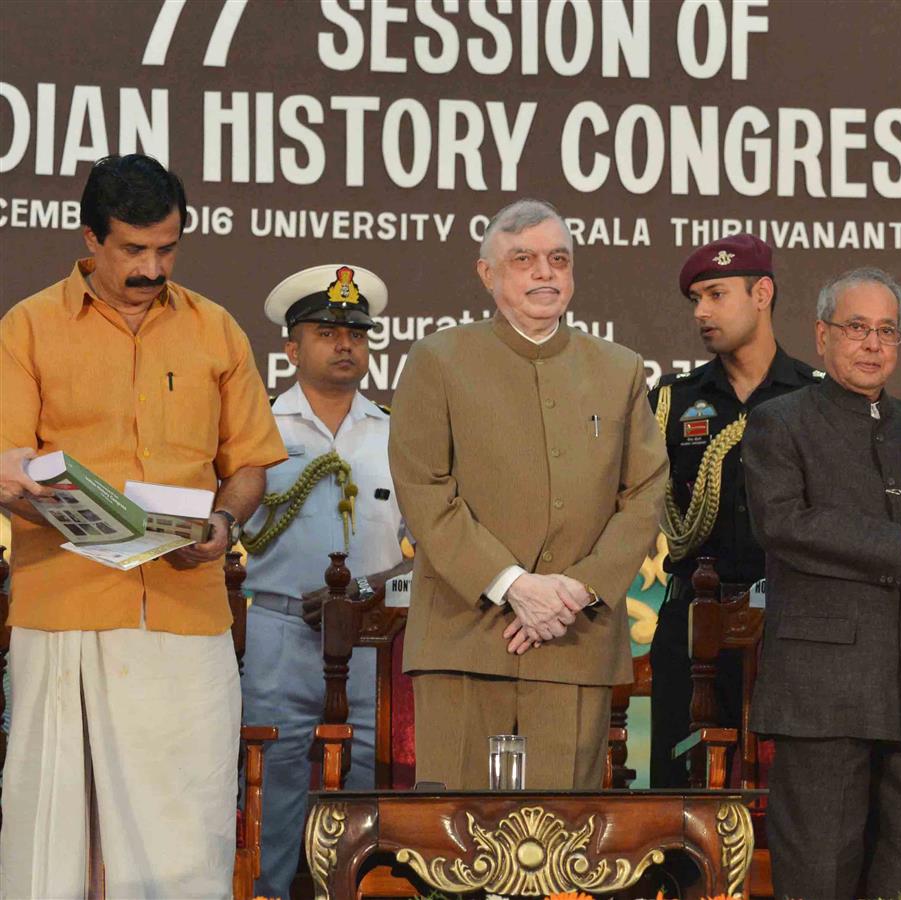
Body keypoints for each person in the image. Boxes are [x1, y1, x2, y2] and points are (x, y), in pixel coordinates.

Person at [0, 154, 285, 898]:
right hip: (66, 606)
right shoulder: (26, 328)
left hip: (186, 611)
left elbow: (251, 463)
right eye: (133, 250)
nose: (151, 267)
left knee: (186, 829)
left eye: (167, 248)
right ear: (90, 239)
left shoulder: (215, 330)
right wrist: (31, 490)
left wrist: (224, 519)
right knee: (55, 834)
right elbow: (8, 463)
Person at [743, 267, 901, 898]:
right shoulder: (780, 421)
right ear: (822, 334)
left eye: (887, 331)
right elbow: (782, 523)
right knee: (819, 877)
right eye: (856, 328)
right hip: (823, 692)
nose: (872, 344)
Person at [388, 198, 666, 790]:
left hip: (574, 638)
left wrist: (576, 592)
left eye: (558, 259)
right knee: (459, 846)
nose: (545, 273)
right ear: (488, 274)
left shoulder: (618, 369)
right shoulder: (438, 360)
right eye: (524, 260)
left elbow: (644, 494)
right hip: (466, 637)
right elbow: (424, 489)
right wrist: (514, 586)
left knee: (560, 851)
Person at [239, 264, 413, 897]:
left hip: (370, 640)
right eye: (325, 331)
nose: (345, 344)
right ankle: (266, 892)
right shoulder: (257, 427)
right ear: (291, 349)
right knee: (274, 778)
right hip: (280, 630)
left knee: (371, 781)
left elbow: (429, 545)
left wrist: (371, 595)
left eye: (356, 333)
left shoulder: (398, 432)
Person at [647, 233, 821, 789]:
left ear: (762, 293)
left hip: (793, 623)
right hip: (693, 624)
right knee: (678, 795)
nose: (702, 312)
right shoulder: (671, 401)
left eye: (717, 295)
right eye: (695, 299)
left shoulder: (817, 399)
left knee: (792, 795)